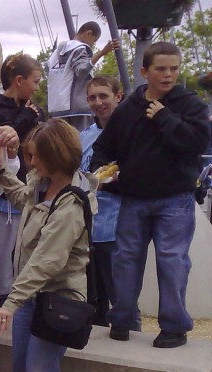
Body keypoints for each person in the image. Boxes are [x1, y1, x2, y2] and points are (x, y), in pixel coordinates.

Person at [0, 119, 96, 372]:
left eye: (37, 156)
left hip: (55, 303)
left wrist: (11, 302)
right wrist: (2, 169)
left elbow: (48, 261)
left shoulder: (70, 204)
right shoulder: (43, 186)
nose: (31, 161)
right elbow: (21, 196)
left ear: (54, 156)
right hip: (32, 300)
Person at [90, 41, 210, 348]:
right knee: (126, 259)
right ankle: (123, 319)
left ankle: (174, 326)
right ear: (145, 71)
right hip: (133, 198)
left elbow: (198, 143)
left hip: (175, 198)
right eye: (161, 69)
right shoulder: (128, 109)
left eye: (174, 69)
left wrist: (165, 118)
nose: (168, 75)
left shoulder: (190, 105)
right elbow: (104, 147)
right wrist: (104, 168)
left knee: (172, 260)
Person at [0, 53, 41, 320]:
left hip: (32, 188)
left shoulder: (35, 110)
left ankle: (20, 303)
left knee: (25, 252)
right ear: (19, 80)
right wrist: (22, 120)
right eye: (36, 81)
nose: (38, 88)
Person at [80, 76, 131, 328]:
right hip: (87, 229)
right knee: (92, 298)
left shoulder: (133, 131)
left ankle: (130, 339)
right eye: (92, 97)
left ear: (118, 96)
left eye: (104, 96)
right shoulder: (83, 137)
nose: (98, 102)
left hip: (117, 226)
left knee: (121, 296)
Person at [47, 22, 119, 131]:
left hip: (57, 107)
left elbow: (47, 69)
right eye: (94, 40)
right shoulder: (79, 48)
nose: (93, 45)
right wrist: (101, 53)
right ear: (88, 33)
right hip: (77, 107)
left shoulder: (57, 52)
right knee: (81, 142)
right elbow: (82, 71)